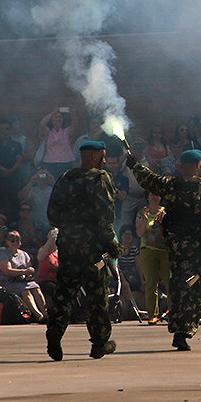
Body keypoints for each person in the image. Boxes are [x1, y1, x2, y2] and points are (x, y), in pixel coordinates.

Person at [126, 148, 201, 352]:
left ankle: (178, 326)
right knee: (191, 286)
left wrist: (134, 164)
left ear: (182, 167)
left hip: (175, 245)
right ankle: (183, 329)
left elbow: (148, 179)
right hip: (195, 247)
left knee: (179, 284)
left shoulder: (172, 185)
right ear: (197, 166)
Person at [45, 140, 119, 361]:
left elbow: (52, 214)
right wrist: (112, 245)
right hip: (92, 248)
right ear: (95, 156)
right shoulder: (100, 179)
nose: (104, 161)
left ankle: (55, 331)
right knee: (97, 295)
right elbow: (105, 217)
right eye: (103, 156)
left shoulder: (66, 177)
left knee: (65, 291)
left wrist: (70, 227)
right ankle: (99, 342)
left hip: (68, 245)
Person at [136, 193, 170, 323]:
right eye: (152, 195)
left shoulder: (165, 212)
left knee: (169, 282)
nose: (155, 197)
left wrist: (163, 222)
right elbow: (139, 233)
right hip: (147, 251)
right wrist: (145, 219)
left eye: (157, 194)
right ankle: (152, 315)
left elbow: (169, 232)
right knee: (151, 283)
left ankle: (172, 313)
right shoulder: (141, 212)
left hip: (164, 251)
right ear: (148, 197)